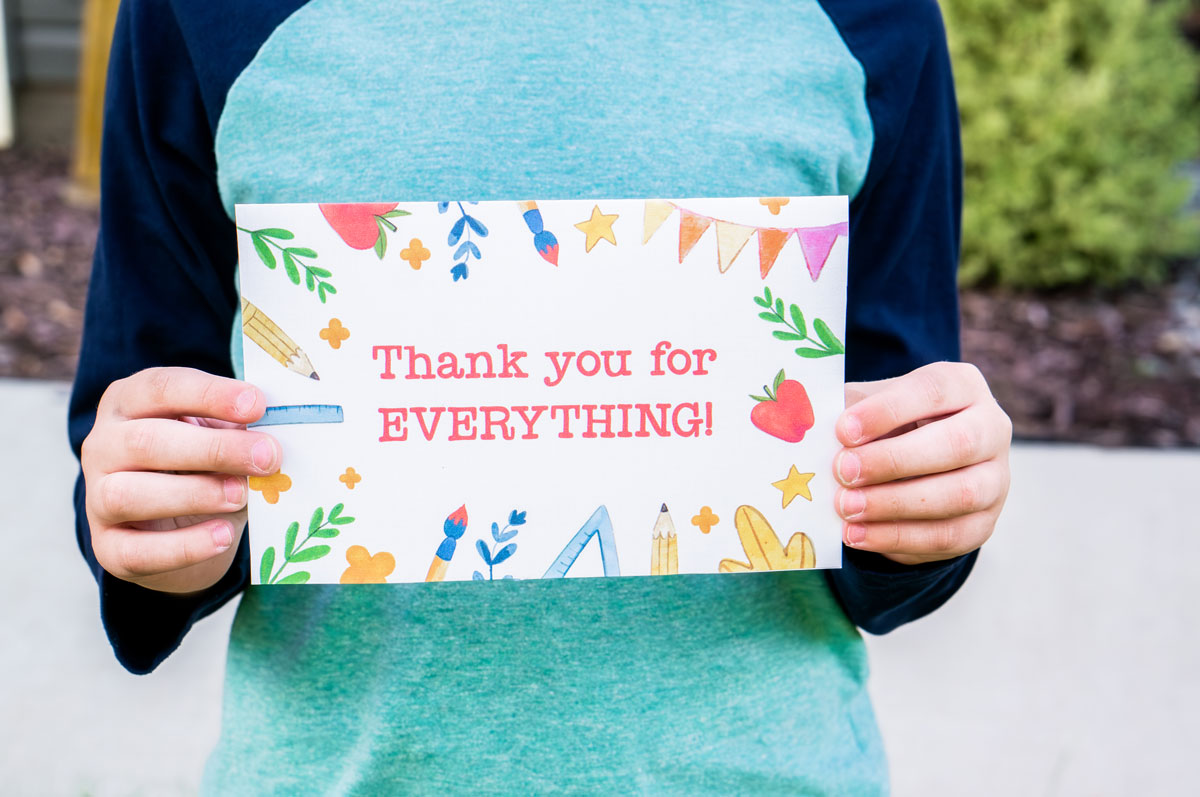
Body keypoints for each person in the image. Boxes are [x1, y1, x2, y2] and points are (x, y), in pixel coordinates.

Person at [69, 0, 1011, 792]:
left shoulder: (864, 15)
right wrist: (155, 523)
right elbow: (143, 424)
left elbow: (884, 483)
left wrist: (929, 495)